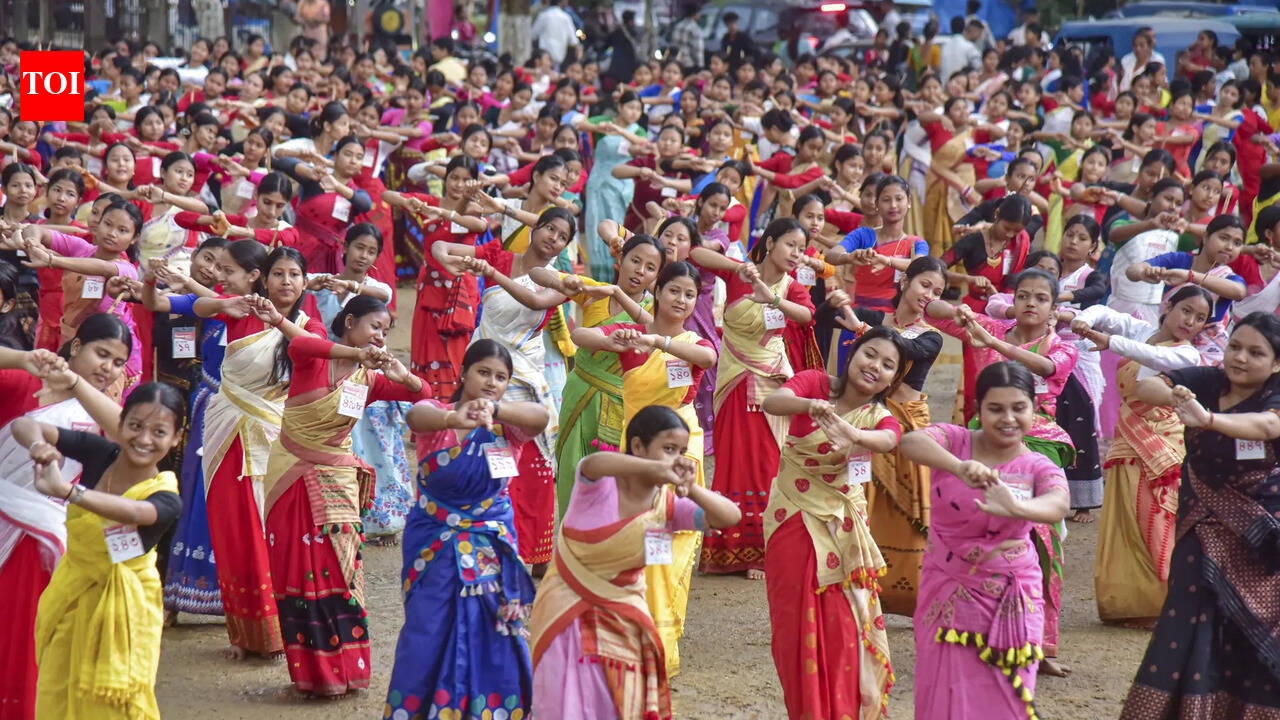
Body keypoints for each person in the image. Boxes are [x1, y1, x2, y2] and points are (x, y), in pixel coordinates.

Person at [529, 405, 741, 720]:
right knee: (565, 704)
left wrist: (693, 488)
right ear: (638, 446)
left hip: (625, 620)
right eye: (668, 449)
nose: (678, 458)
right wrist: (656, 471)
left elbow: (729, 516)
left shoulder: (667, 506)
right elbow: (594, 462)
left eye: (682, 450)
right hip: (566, 613)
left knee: (619, 704)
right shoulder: (597, 485)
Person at [262, 296, 425, 696]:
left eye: (386, 331)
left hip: (337, 484)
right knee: (295, 570)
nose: (380, 336)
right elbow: (299, 344)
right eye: (374, 326)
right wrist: (357, 353)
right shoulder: (314, 355)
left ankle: (346, 672)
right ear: (349, 322)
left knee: (342, 571)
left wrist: (405, 376)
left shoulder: (368, 380)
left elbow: (422, 399)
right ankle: (312, 676)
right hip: (292, 477)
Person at [1120, 313, 1280, 717]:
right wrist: (1175, 395)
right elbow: (1147, 384)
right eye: (1234, 347)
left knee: (1250, 631)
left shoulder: (1275, 394)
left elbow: (1266, 427)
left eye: (1255, 352)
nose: (1239, 358)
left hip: (1259, 532)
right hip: (1201, 524)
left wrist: (1208, 420)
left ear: (1277, 363)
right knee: (1187, 617)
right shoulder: (1209, 380)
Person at [382, 340, 549, 720]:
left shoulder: (510, 429)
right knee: (426, 630)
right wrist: (454, 419)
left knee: (495, 631)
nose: (491, 382)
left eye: (501, 377)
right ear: (464, 373)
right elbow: (417, 415)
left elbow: (540, 416)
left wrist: (497, 409)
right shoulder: (436, 418)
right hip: (434, 543)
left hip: (490, 542)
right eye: (483, 372)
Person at [571, 260, 718, 675]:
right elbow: (581, 336)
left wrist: (659, 342)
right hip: (635, 449)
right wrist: (616, 338)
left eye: (690, 294)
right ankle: (625, 632)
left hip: (680, 452)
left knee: (672, 543)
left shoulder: (689, 341)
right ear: (658, 292)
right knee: (635, 536)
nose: (682, 300)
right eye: (674, 291)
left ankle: (662, 638)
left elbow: (706, 356)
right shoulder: (633, 337)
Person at [900, 361, 1070, 719]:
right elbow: (910, 442)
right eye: (995, 409)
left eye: (1018, 408)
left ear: (1033, 409)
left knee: (1007, 697)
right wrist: (956, 466)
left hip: (1011, 596)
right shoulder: (955, 440)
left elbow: (1057, 504)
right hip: (945, 588)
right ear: (978, 409)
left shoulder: (1038, 464)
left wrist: (1018, 507)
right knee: (942, 691)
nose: (1008, 418)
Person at [761, 326, 909, 718]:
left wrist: (853, 433)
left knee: (844, 630)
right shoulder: (814, 383)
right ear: (852, 353)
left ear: (894, 378)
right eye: (870, 354)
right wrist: (808, 405)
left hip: (843, 530)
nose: (875, 367)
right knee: (793, 630)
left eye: (888, 365)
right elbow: (774, 401)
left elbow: (889, 441)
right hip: (791, 516)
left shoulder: (880, 417)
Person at [17, 382, 187, 720]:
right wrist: (40, 446)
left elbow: (140, 514)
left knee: (114, 705)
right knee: (56, 690)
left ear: (176, 438)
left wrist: (69, 492)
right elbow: (24, 424)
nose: (144, 440)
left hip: (125, 613)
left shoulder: (166, 494)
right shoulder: (100, 453)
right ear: (120, 424)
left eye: (159, 432)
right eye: (136, 426)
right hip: (71, 594)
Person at [1070, 287, 1211, 624]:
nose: (1190, 322)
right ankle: (1130, 604)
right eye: (1186, 311)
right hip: (1128, 442)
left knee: (1158, 519)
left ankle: (1169, 602)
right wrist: (1080, 319)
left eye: (1200, 318)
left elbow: (1152, 359)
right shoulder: (1142, 329)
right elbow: (1105, 314)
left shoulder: (1187, 355)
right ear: (1168, 306)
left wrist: (1110, 342)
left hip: (1164, 446)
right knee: (1127, 521)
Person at [821, 257, 948, 616]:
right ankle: (857, 586)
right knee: (861, 500)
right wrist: (832, 302)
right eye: (924, 284)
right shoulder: (876, 320)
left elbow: (904, 350)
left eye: (937, 291)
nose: (929, 295)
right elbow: (829, 318)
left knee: (905, 511)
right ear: (905, 280)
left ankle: (907, 595)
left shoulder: (931, 336)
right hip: (869, 418)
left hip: (906, 425)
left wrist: (863, 330)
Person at [690, 218, 816, 578]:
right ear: (771, 243)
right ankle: (728, 549)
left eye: (800, 248)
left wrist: (773, 297)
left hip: (772, 383)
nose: (796, 254)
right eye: (790, 245)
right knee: (733, 461)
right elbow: (696, 254)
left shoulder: (791, 287)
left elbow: (807, 316)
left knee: (768, 463)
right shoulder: (738, 275)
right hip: (733, 382)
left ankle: (763, 551)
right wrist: (738, 267)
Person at [531, 0, 581, 66]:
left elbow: (533, 35)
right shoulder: (566, 17)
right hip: (559, 57)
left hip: (544, 58)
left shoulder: (543, 16)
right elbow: (574, 41)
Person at [939, 20, 984, 87]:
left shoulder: (944, 44)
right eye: (980, 33)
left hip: (942, 85)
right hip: (958, 86)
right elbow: (979, 67)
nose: (979, 37)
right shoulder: (970, 47)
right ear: (974, 31)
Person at [1121, 28, 1166, 92]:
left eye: (1141, 45)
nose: (1138, 49)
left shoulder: (1157, 61)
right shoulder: (1126, 60)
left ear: (1149, 47)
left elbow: (1161, 84)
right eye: (1135, 45)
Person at [669, 4, 706, 72]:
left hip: (677, 62)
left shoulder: (678, 25)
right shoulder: (695, 28)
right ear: (695, 13)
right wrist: (700, 66)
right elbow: (698, 49)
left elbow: (673, 44)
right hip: (689, 64)